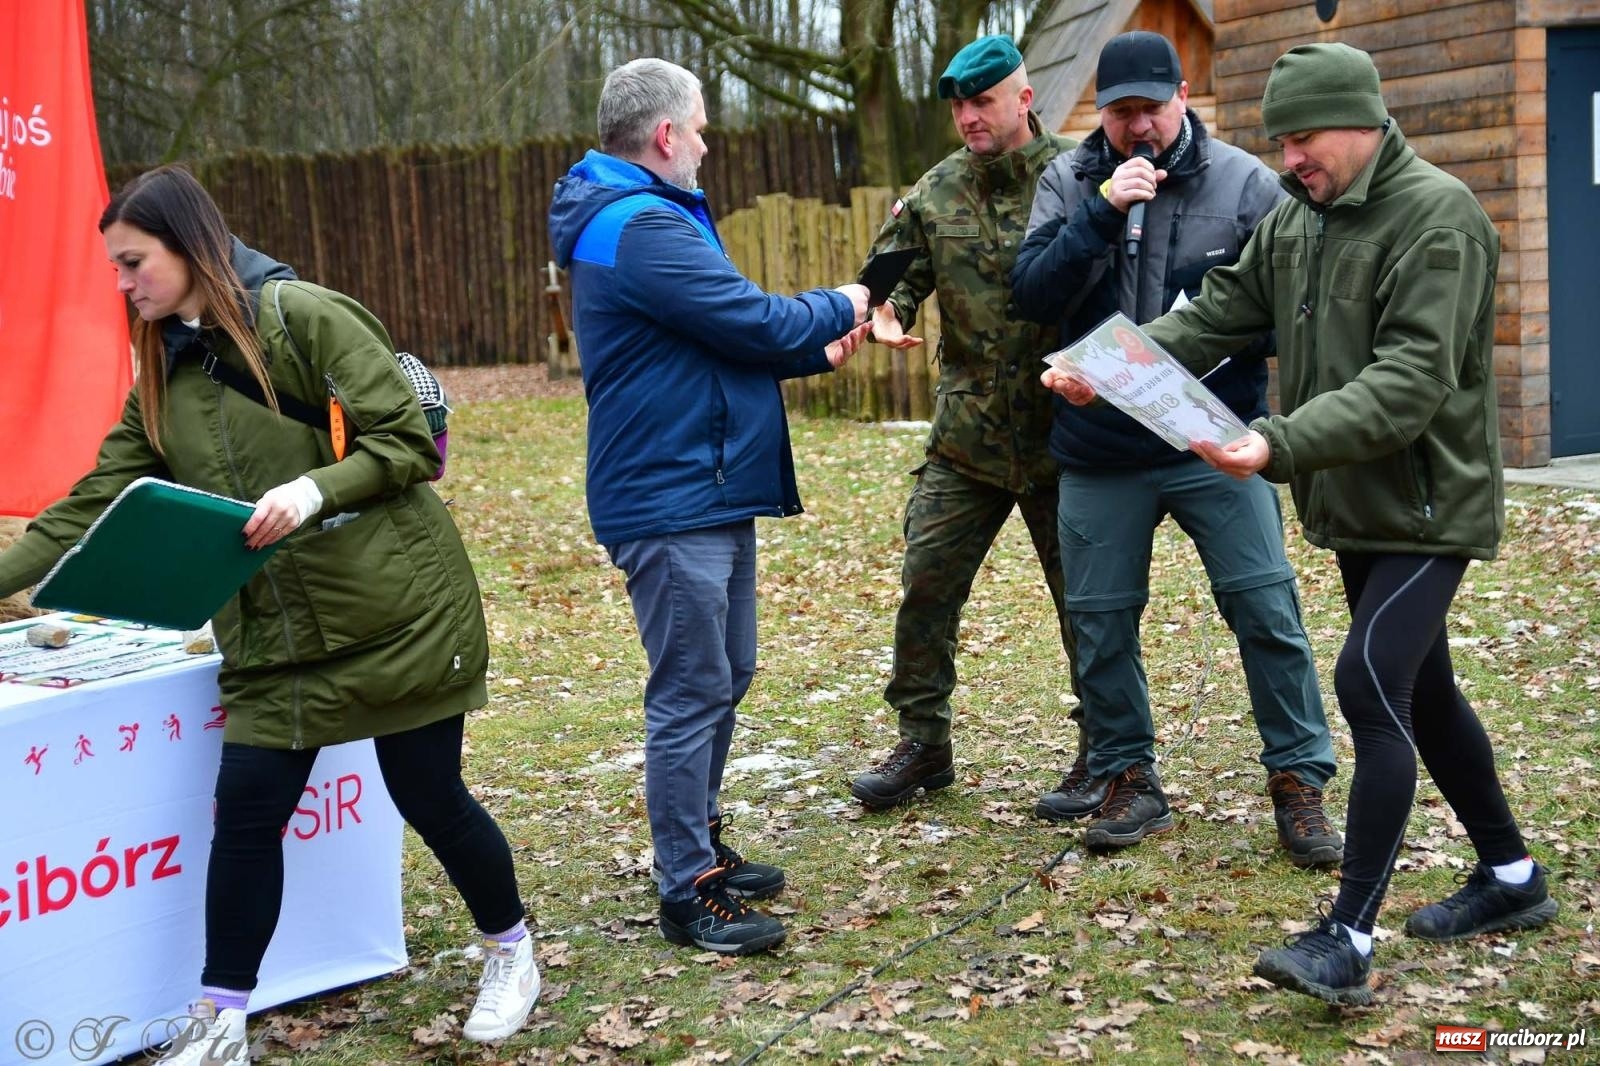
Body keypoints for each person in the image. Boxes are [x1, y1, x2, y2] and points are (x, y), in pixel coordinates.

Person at [1048, 43, 1558, 1005]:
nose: (1290, 158)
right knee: (1428, 694)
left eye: (1305, 137)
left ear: (1361, 121)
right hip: (1358, 502)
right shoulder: (1300, 218)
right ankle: (1512, 878)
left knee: (1370, 684)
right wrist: (1106, 366)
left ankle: (1349, 935)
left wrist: (1275, 444)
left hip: (1427, 504)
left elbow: (1409, 383)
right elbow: (1216, 315)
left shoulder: (1438, 218)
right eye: (1279, 140)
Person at [0, 166, 539, 1062]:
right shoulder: (161, 376)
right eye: (116, 269)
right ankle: (221, 1022)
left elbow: (405, 442)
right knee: (246, 817)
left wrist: (311, 489)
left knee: (430, 794)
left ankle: (513, 950)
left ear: (188, 246)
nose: (123, 284)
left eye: (134, 262)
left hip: (396, 610)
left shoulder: (307, 318)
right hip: (274, 634)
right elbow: (87, 505)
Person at [548, 58, 870, 956]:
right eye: (698, 127)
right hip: (669, 494)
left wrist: (821, 351)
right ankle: (685, 885)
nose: (705, 142)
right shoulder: (638, 224)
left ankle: (703, 841)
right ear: (664, 137)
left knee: (727, 672)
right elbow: (753, 321)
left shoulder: (648, 218)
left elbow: (716, 342)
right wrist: (844, 299)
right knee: (691, 687)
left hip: (705, 482)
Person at [1011, 31, 1340, 864]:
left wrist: (1200, 350)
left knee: (1266, 607)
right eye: (1121, 114)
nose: (1138, 128)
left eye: (1151, 110)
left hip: (1212, 439)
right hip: (1097, 445)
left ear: (1182, 96)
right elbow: (1031, 294)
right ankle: (1128, 777)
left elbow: (1284, 308)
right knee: (1100, 621)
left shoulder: (1245, 183)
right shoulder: (1070, 178)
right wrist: (1101, 211)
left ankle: (1299, 782)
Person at [848, 35, 1083, 811]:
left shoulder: (1082, 176)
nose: (968, 117)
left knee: (1087, 600)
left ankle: (1105, 748)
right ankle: (924, 743)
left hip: (1065, 432)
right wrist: (883, 312)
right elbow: (893, 276)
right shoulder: (935, 191)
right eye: (957, 105)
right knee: (927, 585)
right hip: (968, 437)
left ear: (1023, 97)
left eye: (982, 101)